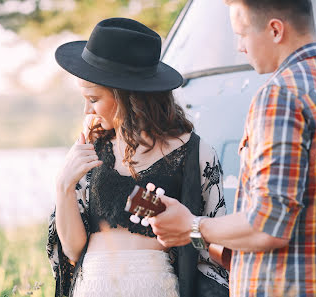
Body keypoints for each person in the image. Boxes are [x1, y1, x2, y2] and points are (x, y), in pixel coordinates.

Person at [148, 0, 316, 296]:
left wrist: (193, 226)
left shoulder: (281, 95)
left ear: (275, 30)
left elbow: (267, 224)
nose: (239, 46)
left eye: (242, 33)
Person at [46, 18, 229, 297]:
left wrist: (180, 225)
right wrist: (64, 184)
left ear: (128, 97)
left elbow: (211, 242)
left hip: (156, 288)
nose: (87, 110)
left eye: (93, 99)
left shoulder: (196, 153)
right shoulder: (90, 149)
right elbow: (72, 250)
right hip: (94, 287)